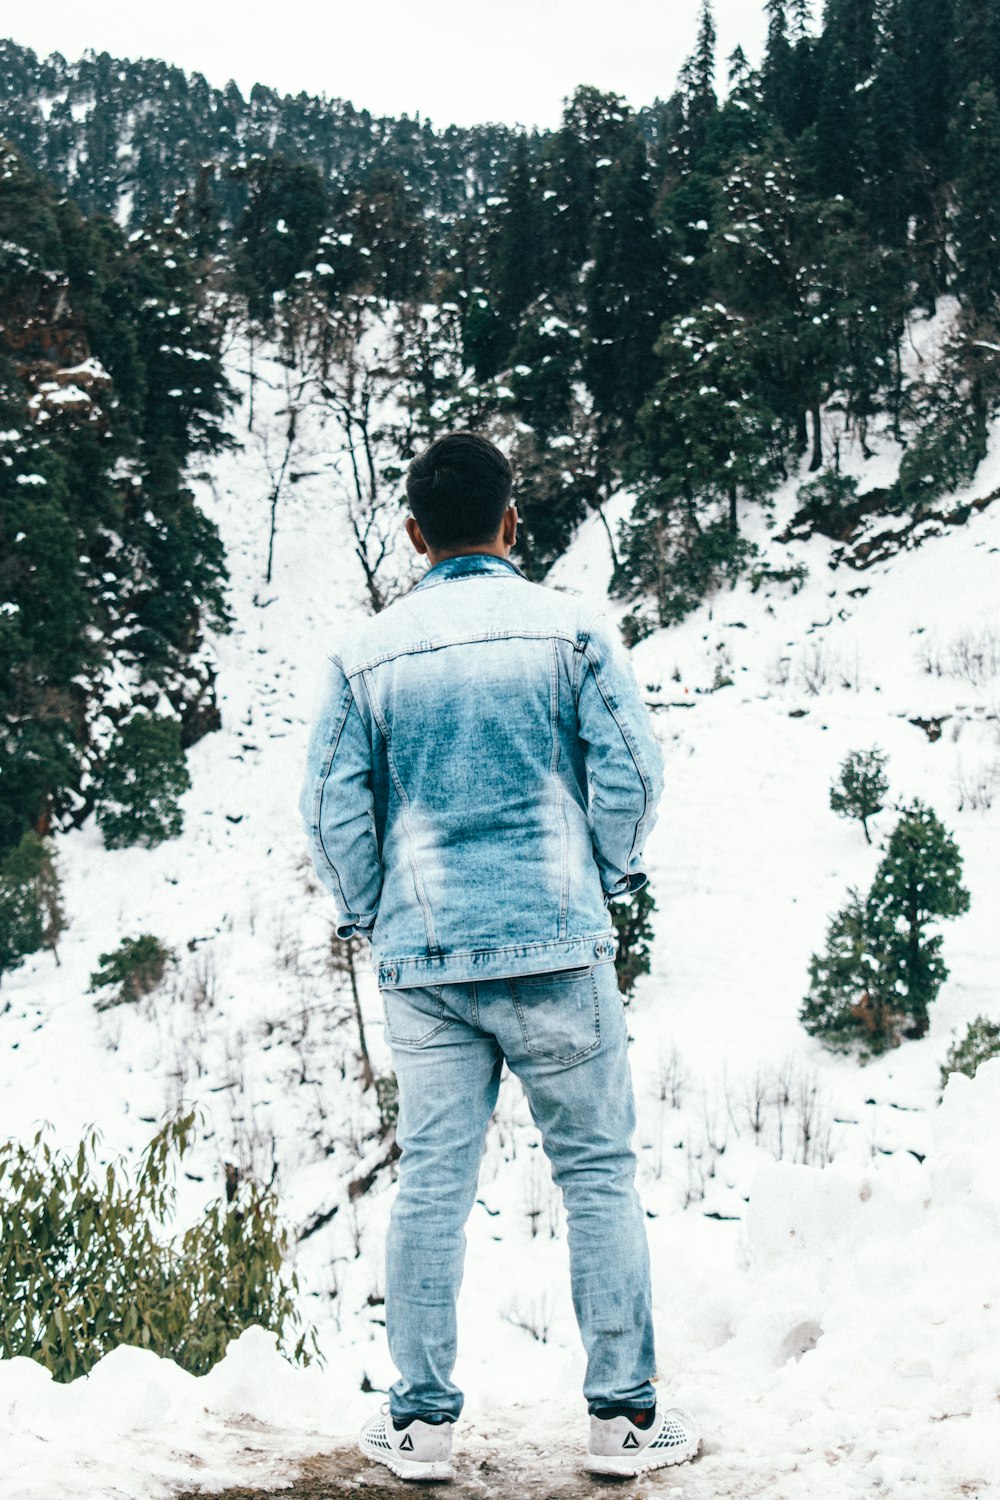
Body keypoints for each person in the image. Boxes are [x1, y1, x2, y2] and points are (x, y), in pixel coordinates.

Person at [299, 431, 701, 1481]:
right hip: (560, 945)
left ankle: (422, 1427)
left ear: (414, 535)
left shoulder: (364, 656)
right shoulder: (571, 635)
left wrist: (371, 910)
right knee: (598, 1176)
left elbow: (331, 809)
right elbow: (635, 777)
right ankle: (622, 1422)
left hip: (425, 959)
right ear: (512, 523)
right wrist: (594, 873)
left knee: (433, 1182)